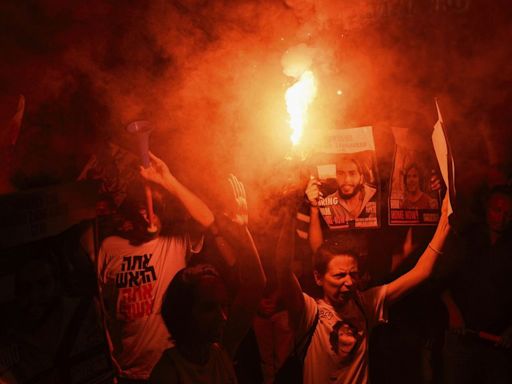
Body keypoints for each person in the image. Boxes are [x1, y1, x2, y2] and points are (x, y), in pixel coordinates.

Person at [276, 191, 451, 384]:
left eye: (353, 274)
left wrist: (445, 220)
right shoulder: (309, 313)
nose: (349, 282)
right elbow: (282, 268)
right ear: (319, 278)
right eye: (340, 275)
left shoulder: (365, 304)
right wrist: (289, 214)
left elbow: (421, 272)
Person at [96, 152, 214, 383]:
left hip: (172, 368)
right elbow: (97, 306)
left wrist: (167, 181)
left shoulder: (174, 243)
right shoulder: (111, 247)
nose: (146, 213)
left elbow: (206, 219)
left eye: (152, 206)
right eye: (140, 207)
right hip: (128, 372)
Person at [149, 176, 266, 384]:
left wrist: (242, 231)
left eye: (224, 306)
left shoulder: (218, 354)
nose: (223, 317)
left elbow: (255, 284)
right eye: (209, 307)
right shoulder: (168, 374)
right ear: (183, 313)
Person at [442, 185, 512, 384]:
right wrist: (452, 311)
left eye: (508, 214)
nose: (501, 218)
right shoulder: (467, 238)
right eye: (497, 210)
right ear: (487, 208)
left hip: (499, 345)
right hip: (462, 339)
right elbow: (440, 280)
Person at [310, 157, 377, 229]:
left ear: (361, 179)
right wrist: (313, 207)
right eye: (341, 174)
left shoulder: (375, 195)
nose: (346, 180)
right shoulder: (327, 204)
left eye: (352, 173)